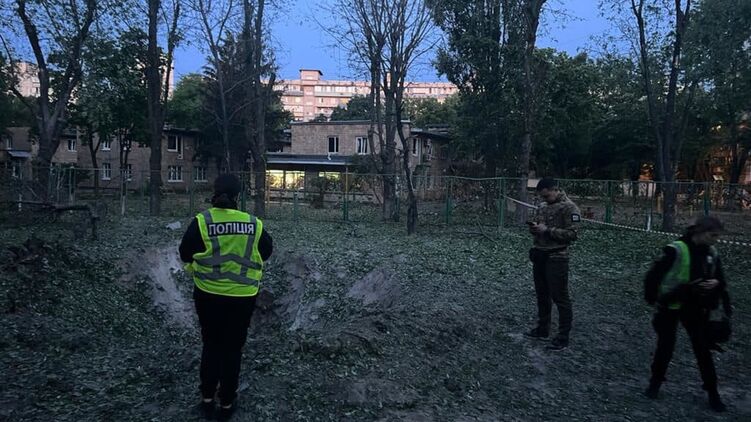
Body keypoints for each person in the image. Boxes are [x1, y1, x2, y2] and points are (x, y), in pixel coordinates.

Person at [179, 174, 273, 420]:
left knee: (211, 344)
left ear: (214, 191)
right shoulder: (253, 224)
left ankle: (207, 399)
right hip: (243, 297)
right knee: (232, 349)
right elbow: (266, 251)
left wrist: (197, 269)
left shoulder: (202, 221)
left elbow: (185, 253)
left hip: (207, 294)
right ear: (238, 196)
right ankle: (228, 403)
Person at [643, 216, 732, 412]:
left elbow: (721, 279)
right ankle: (655, 384)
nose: (716, 240)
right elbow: (653, 276)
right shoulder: (676, 249)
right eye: (713, 235)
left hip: (696, 308)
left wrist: (716, 283)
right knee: (665, 347)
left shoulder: (711, 252)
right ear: (700, 232)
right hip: (671, 306)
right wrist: (654, 299)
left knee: (702, 350)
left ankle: (713, 393)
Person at [525, 178, 581, 351]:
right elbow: (539, 226)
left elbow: (573, 234)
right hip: (540, 254)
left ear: (555, 190)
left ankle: (563, 337)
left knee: (560, 297)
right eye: (542, 196)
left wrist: (548, 231)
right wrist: (535, 229)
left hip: (557, 257)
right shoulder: (542, 206)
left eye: (547, 195)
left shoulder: (570, 208)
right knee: (542, 295)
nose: (544, 199)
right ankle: (543, 329)